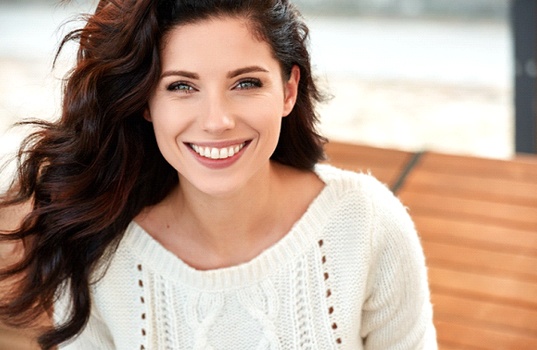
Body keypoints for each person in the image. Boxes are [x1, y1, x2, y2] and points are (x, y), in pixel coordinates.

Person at [0, 0, 437, 349]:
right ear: (146, 103)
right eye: (181, 86)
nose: (217, 120)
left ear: (288, 90)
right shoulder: (99, 254)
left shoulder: (366, 222)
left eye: (245, 83)